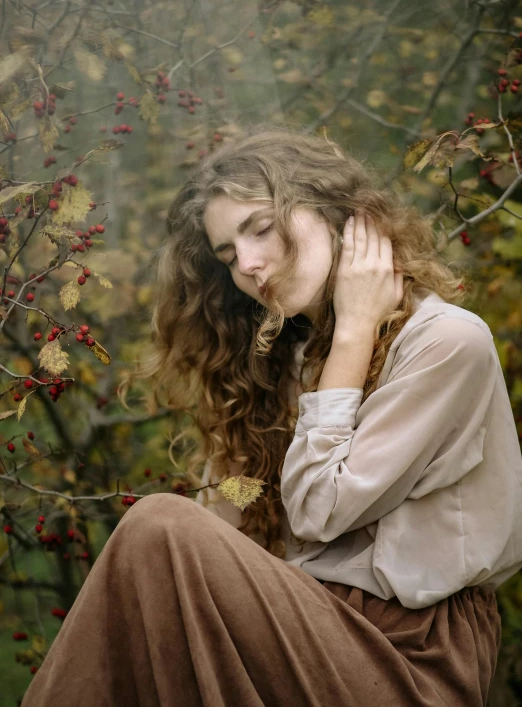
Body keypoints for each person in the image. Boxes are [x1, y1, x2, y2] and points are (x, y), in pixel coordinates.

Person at [22, 124, 522, 707]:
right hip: (305, 622)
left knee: (159, 526)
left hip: (411, 657)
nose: (250, 265)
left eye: (261, 228)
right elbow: (223, 527)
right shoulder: (291, 357)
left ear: (339, 214)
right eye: (228, 255)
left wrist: (357, 329)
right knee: (156, 566)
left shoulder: (446, 343)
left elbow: (319, 507)